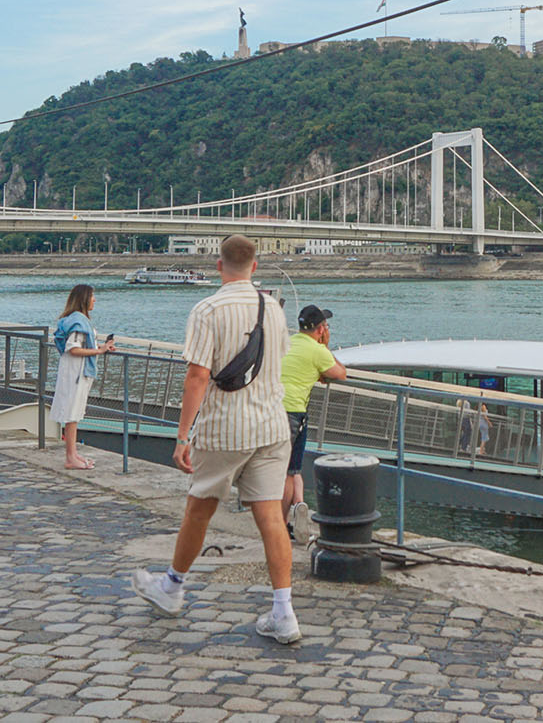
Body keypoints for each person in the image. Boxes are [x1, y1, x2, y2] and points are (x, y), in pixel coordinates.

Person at [129, 235, 301, 643]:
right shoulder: (273, 308)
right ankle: (284, 612)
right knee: (271, 518)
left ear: (218, 265)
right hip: (273, 427)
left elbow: (198, 376)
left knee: (199, 511)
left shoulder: (207, 309)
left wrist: (182, 434)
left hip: (225, 428)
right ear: (255, 266)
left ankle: (171, 588)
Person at [280, 304, 346, 538]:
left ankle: (297, 504)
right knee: (288, 471)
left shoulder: (285, 342)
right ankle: (280, 523)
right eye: (325, 326)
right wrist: (326, 346)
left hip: (269, 407)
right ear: (320, 329)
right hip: (293, 412)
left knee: (288, 467)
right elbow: (340, 373)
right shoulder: (318, 350)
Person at [51, 284, 115, 471]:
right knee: (73, 412)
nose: (95, 300)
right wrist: (99, 350)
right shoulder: (79, 321)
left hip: (73, 370)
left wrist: (101, 347)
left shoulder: (74, 319)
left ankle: (73, 453)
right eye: (93, 296)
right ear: (85, 299)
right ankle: (71, 457)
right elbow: (74, 348)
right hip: (76, 372)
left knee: (74, 413)